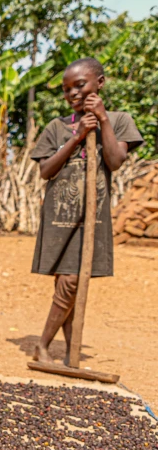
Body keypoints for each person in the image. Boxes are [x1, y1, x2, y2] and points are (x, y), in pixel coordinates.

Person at [30, 58, 143, 364]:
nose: (73, 93)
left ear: (100, 83)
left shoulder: (119, 120)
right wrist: (77, 136)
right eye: (67, 89)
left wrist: (102, 120)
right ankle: (53, 349)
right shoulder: (56, 127)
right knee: (67, 283)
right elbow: (46, 170)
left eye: (80, 85)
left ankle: (60, 349)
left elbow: (115, 161)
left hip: (92, 218)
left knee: (72, 282)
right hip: (59, 217)